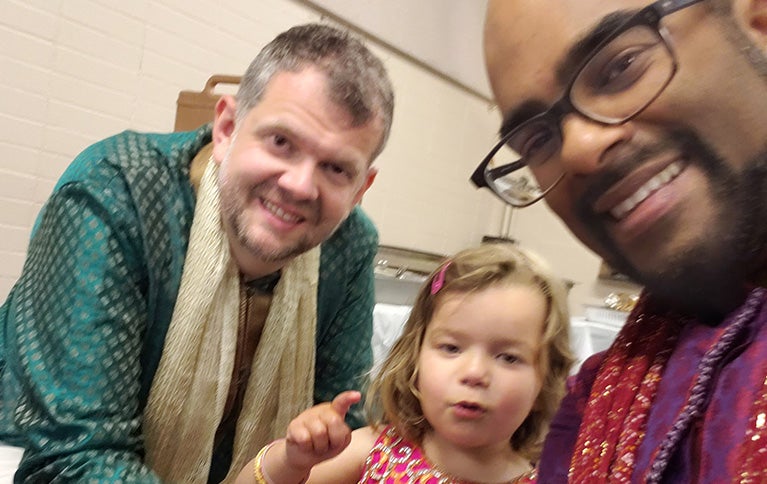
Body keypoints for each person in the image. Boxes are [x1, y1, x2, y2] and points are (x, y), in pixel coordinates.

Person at [0, 23, 394, 483]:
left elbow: (338, 426)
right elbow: (77, 454)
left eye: (336, 168)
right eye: (281, 142)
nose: (299, 186)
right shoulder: (116, 190)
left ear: (362, 187)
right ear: (226, 128)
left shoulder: (349, 246)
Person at [473, 0, 767, 481]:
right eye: (538, 139)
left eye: (620, 68)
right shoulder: (592, 405)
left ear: (758, 21)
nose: (579, 149)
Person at [234, 243, 574, 484]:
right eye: (452, 348)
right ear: (415, 358)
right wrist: (291, 461)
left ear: (545, 377)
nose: (474, 374)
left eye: (508, 357)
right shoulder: (375, 450)